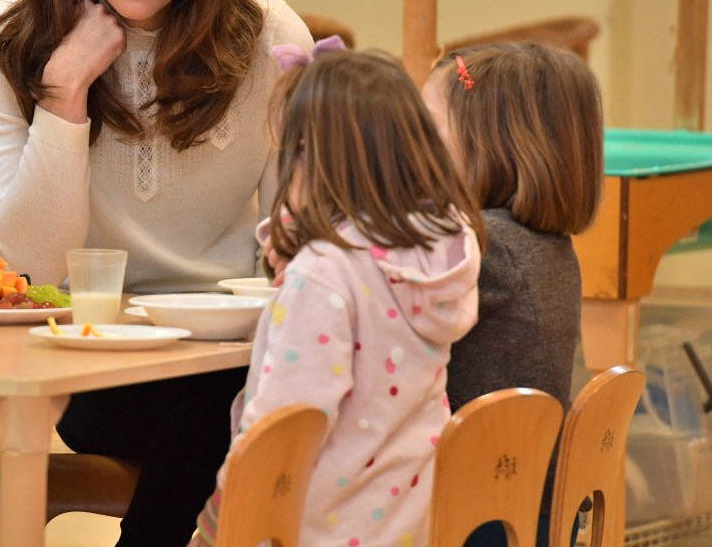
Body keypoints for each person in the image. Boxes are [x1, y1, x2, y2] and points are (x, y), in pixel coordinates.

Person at [0, 0, 313, 544]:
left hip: (233, 355)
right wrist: (63, 96)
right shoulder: (12, 34)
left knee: (232, 388)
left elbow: (293, 241)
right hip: (94, 366)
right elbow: (31, 267)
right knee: (219, 406)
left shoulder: (266, 36)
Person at [190, 48, 484, 547]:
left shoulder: (324, 275)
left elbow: (281, 430)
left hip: (304, 528)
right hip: (407, 527)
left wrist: (219, 520)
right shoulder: (428, 256)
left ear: (310, 158)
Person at [420, 43, 604, 547]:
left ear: (493, 145)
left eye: (429, 130)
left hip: (482, 515)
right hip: (533, 505)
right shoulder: (547, 245)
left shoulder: (484, 247)